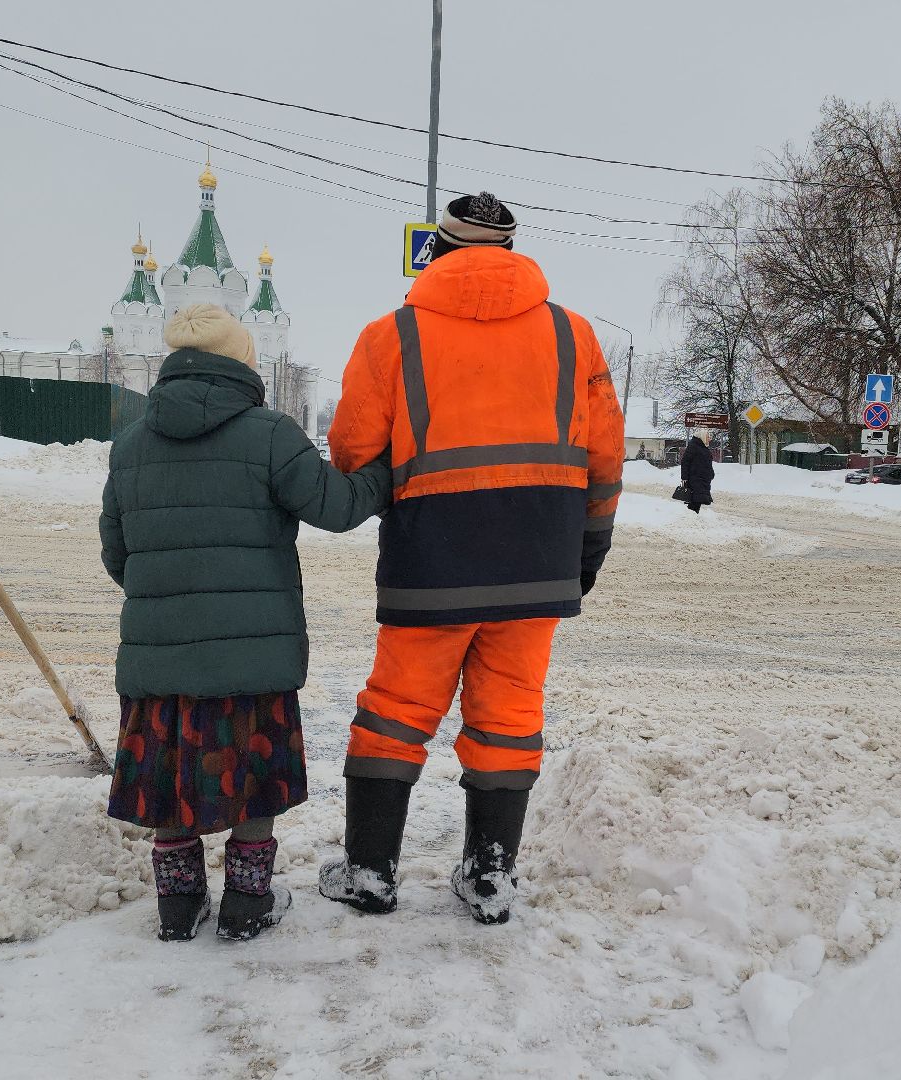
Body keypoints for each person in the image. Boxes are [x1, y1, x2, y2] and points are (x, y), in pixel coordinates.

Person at [321, 192, 626, 924]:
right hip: (537, 561)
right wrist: (587, 550)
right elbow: (605, 455)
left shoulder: (389, 336)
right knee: (509, 713)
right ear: (513, 251)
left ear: (439, 252)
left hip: (432, 559)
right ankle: (490, 877)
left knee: (397, 710)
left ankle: (370, 871)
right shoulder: (574, 336)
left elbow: (353, 452)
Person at [100, 304, 390, 943]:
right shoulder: (268, 434)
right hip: (252, 660)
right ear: (242, 365)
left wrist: (174, 602)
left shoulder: (131, 446)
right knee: (249, 780)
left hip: (160, 660)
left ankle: (177, 909)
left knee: (170, 781)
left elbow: (118, 556)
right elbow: (338, 508)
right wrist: (387, 468)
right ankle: (246, 903)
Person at [679, 433, 715, 514]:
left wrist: (711, 474)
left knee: (698, 499)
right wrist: (684, 477)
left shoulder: (703, 447)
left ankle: (692, 516)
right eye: (707, 437)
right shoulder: (693, 446)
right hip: (695, 479)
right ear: (702, 437)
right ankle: (691, 517)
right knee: (696, 499)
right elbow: (685, 462)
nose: (709, 439)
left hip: (703, 479)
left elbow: (707, 463)